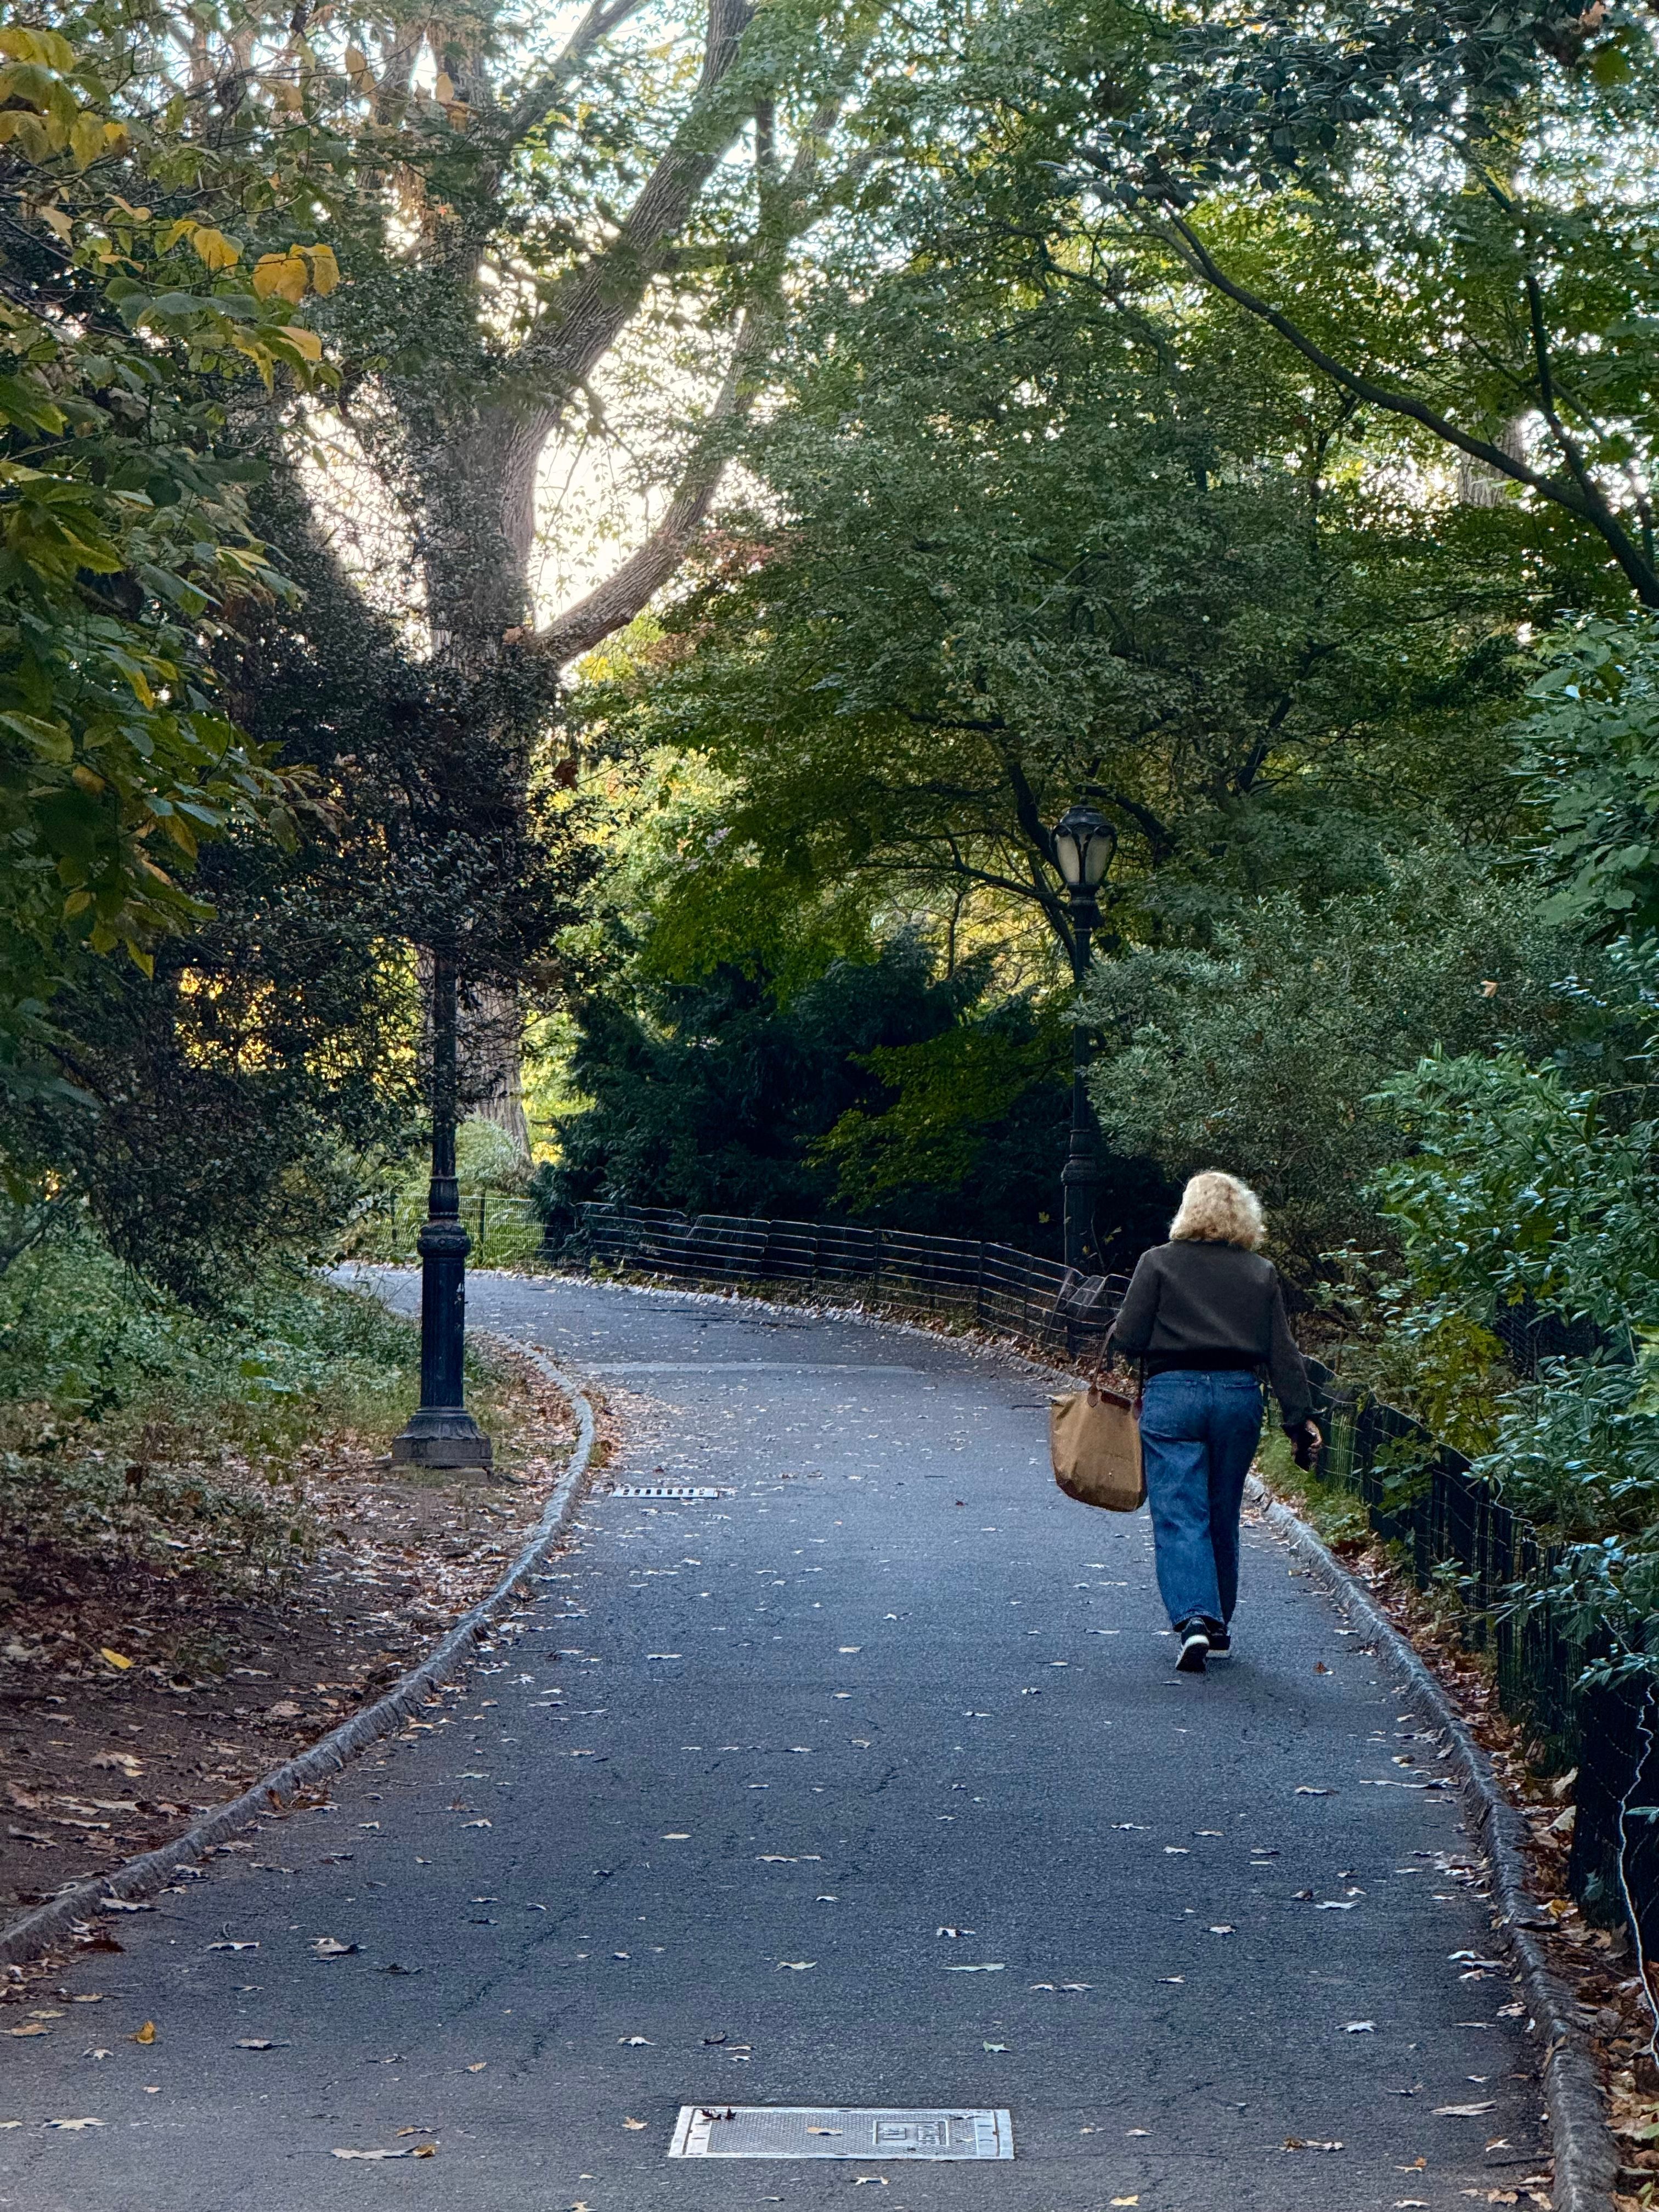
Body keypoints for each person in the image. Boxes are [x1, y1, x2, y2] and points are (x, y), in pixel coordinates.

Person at [1105, 1169, 1320, 1674]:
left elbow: (1130, 1337)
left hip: (1173, 1394)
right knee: (1222, 1510)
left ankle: (1194, 1620)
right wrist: (1299, 1419)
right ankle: (1219, 1626)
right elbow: (1282, 1354)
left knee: (1180, 1511)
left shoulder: (1156, 1264)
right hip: (1237, 1396)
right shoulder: (1260, 1273)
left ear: (1188, 1210)